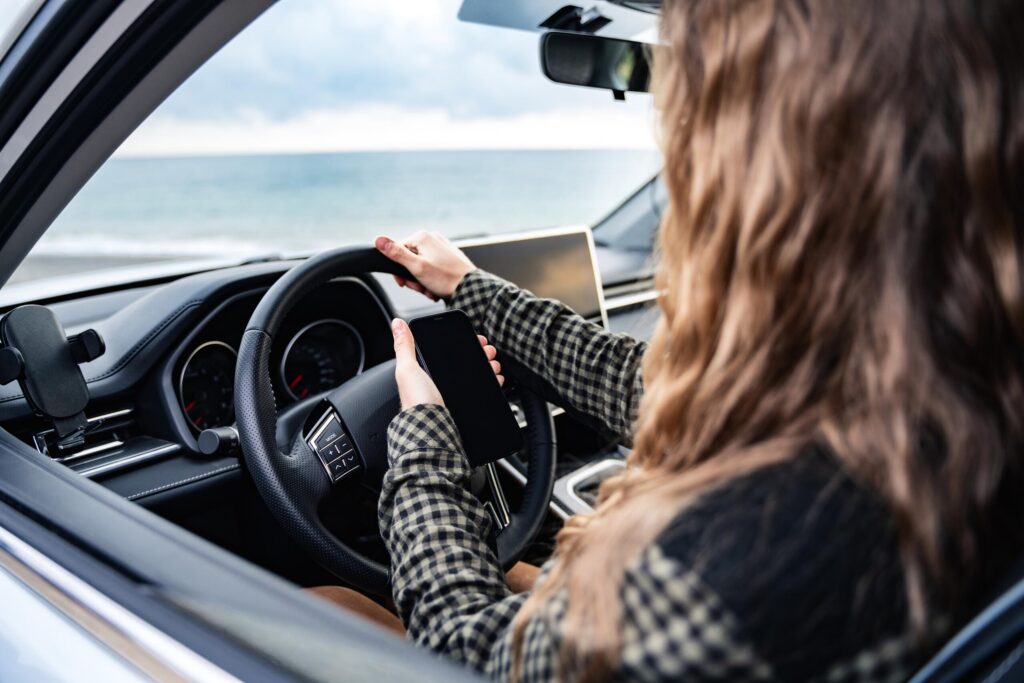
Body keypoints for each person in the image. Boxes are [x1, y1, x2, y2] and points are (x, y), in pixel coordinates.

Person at [314, 0, 1024, 680]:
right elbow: (642, 384)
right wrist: (471, 287)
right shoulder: (938, 394)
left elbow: (464, 653)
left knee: (324, 606)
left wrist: (422, 443)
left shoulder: (759, 548)